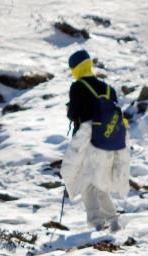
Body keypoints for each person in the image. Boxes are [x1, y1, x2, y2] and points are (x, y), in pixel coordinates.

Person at [61, 49, 129, 231]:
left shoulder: (77, 87)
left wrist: (70, 110)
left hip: (87, 141)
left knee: (86, 182)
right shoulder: (108, 88)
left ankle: (96, 223)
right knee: (101, 181)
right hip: (108, 142)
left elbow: (75, 115)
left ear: (75, 68)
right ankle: (113, 220)